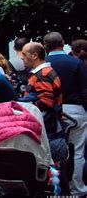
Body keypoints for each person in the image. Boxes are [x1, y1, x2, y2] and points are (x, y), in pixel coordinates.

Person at [44, 32, 87, 195]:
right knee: (77, 150)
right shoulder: (75, 62)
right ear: (63, 42)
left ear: (46, 46)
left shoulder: (44, 63)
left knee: (52, 152)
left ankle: (57, 188)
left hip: (50, 112)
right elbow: (85, 90)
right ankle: (77, 188)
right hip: (75, 109)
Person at [18, 42, 67, 162]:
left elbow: (46, 102)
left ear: (34, 55)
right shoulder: (43, 72)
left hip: (46, 126)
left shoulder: (43, 74)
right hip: (49, 125)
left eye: (24, 54)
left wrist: (27, 109)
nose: (22, 57)